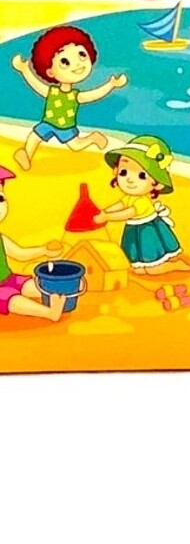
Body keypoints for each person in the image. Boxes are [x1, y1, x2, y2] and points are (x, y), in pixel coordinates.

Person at [12, 24, 127, 171]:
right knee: (34, 136)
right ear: (50, 72)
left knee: (76, 146)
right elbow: (36, 85)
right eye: (65, 62)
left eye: (82, 54)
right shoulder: (52, 92)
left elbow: (93, 95)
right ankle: (26, 156)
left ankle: (93, 138)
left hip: (66, 127)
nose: (77, 63)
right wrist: (25, 70)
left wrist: (111, 85)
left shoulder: (75, 96)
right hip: (48, 123)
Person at [94, 134, 190, 275]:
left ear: (157, 183)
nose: (130, 180)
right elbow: (121, 205)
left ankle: (174, 265)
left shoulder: (142, 202)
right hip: (133, 231)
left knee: (152, 268)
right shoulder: (130, 197)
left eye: (141, 176)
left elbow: (128, 213)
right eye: (123, 172)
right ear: (116, 171)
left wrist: (107, 216)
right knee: (138, 268)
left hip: (147, 232)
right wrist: (104, 211)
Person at [0, 165, 68, 322]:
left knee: (32, 285)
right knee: (12, 300)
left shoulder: (1, 238)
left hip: (10, 278)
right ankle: (48, 312)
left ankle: (59, 295)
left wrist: (43, 251)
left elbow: (20, 254)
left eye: (0, 199)